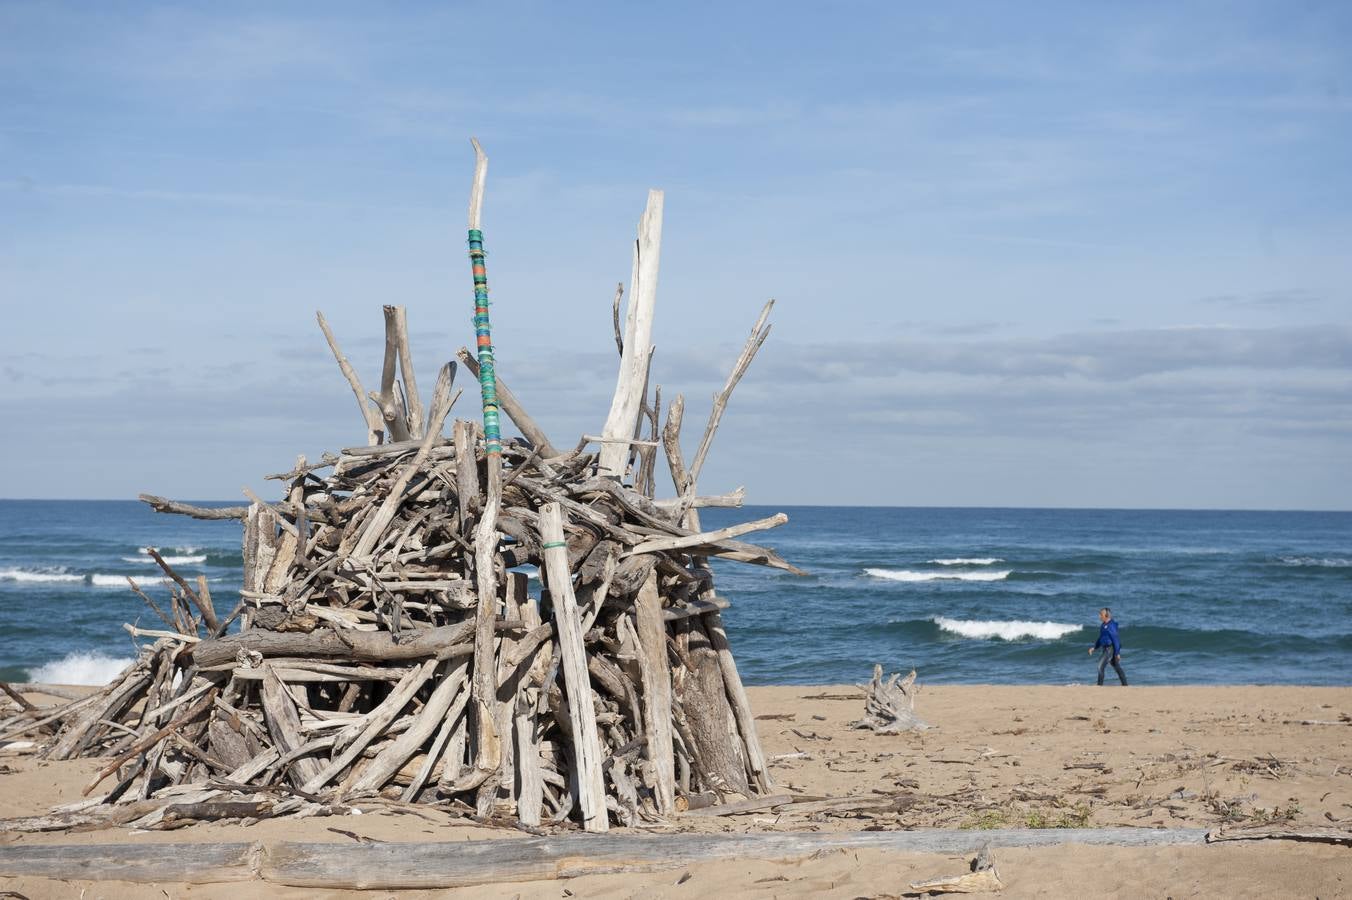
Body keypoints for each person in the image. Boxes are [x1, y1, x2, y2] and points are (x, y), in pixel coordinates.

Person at [1088, 607, 1128, 686]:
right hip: (1105, 648)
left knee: (1100, 666)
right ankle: (1125, 685)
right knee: (1117, 667)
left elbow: (1116, 640)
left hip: (1110, 649)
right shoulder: (1103, 625)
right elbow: (1101, 638)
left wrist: (1117, 653)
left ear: (1106, 615)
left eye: (1101, 614)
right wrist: (1094, 647)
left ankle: (1099, 686)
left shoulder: (1111, 626)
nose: (1099, 616)